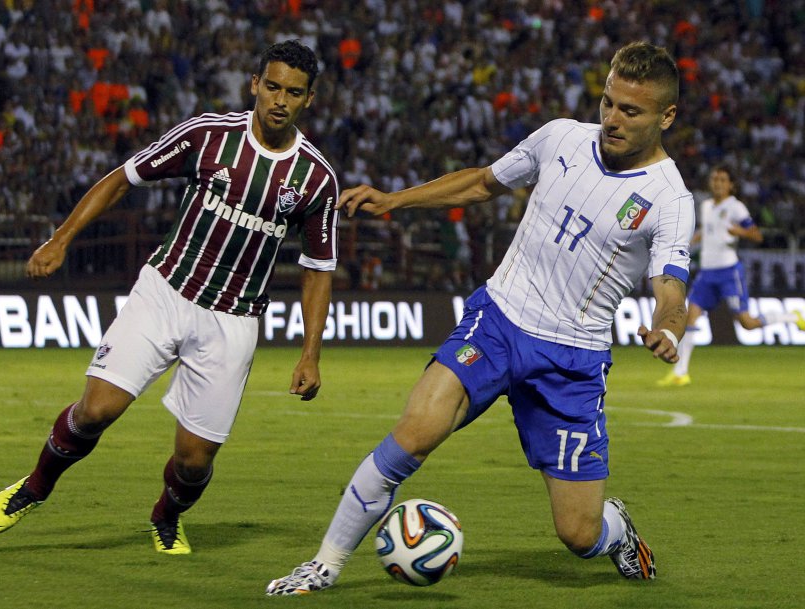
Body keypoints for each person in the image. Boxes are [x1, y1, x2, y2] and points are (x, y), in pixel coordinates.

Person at [266, 41, 693, 595]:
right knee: (413, 433)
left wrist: (668, 327)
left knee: (579, 533)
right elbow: (482, 182)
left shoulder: (670, 199)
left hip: (571, 360)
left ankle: (618, 532)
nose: (612, 119)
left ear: (666, 116)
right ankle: (323, 565)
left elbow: (670, 285)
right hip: (497, 321)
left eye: (630, 111)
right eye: (608, 102)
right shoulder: (561, 137)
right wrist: (394, 201)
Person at [0, 40, 339, 555]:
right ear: (254, 85)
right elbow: (123, 178)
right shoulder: (207, 136)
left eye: (294, 92)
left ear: (310, 99)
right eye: (273, 86)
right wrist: (61, 238)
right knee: (95, 410)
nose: (280, 100)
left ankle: (166, 517)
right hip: (165, 291)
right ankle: (35, 487)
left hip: (233, 320)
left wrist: (310, 354)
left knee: (194, 463)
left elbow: (317, 270)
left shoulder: (316, 179)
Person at [657, 164, 805, 386]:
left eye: (722, 180)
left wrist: (740, 231)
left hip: (728, 272)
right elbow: (706, 231)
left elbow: (756, 235)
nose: (717, 183)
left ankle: (791, 317)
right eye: (715, 179)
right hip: (707, 273)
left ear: (731, 185)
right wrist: (688, 243)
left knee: (747, 323)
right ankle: (681, 372)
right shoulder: (706, 206)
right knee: (691, 317)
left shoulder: (736, 207)